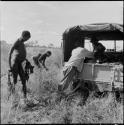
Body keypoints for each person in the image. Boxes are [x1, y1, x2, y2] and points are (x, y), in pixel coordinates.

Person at [8, 30, 31, 99]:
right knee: (14, 81)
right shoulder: (17, 41)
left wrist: (26, 60)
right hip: (15, 63)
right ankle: (12, 98)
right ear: (24, 36)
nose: (27, 39)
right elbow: (10, 53)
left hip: (20, 63)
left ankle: (25, 97)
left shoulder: (23, 43)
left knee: (24, 80)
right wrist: (10, 65)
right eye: (27, 38)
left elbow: (21, 53)